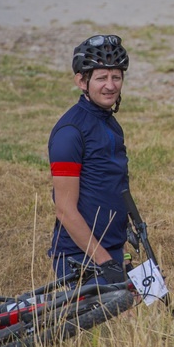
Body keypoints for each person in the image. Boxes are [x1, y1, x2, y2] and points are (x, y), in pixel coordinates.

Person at [49, 35, 131, 286]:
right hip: (80, 257)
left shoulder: (108, 122)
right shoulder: (70, 132)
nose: (110, 85)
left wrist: (122, 256)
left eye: (116, 77)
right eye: (101, 78)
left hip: (112, 248)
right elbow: (64, 210)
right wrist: (106, 264)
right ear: (81, 81)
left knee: (135, 322)